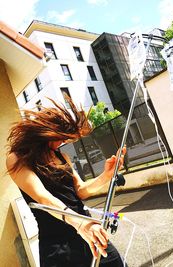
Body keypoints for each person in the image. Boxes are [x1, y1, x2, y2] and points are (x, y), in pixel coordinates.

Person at [6, 96, 127, 267]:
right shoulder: (18, 159)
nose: (63, 143)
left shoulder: (62, 156)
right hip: (57, 244)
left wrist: (105, 176)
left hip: (87, 229)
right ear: (48, 131)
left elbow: (79, 190)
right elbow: (43, 197)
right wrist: (80, 224)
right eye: (61, 138)